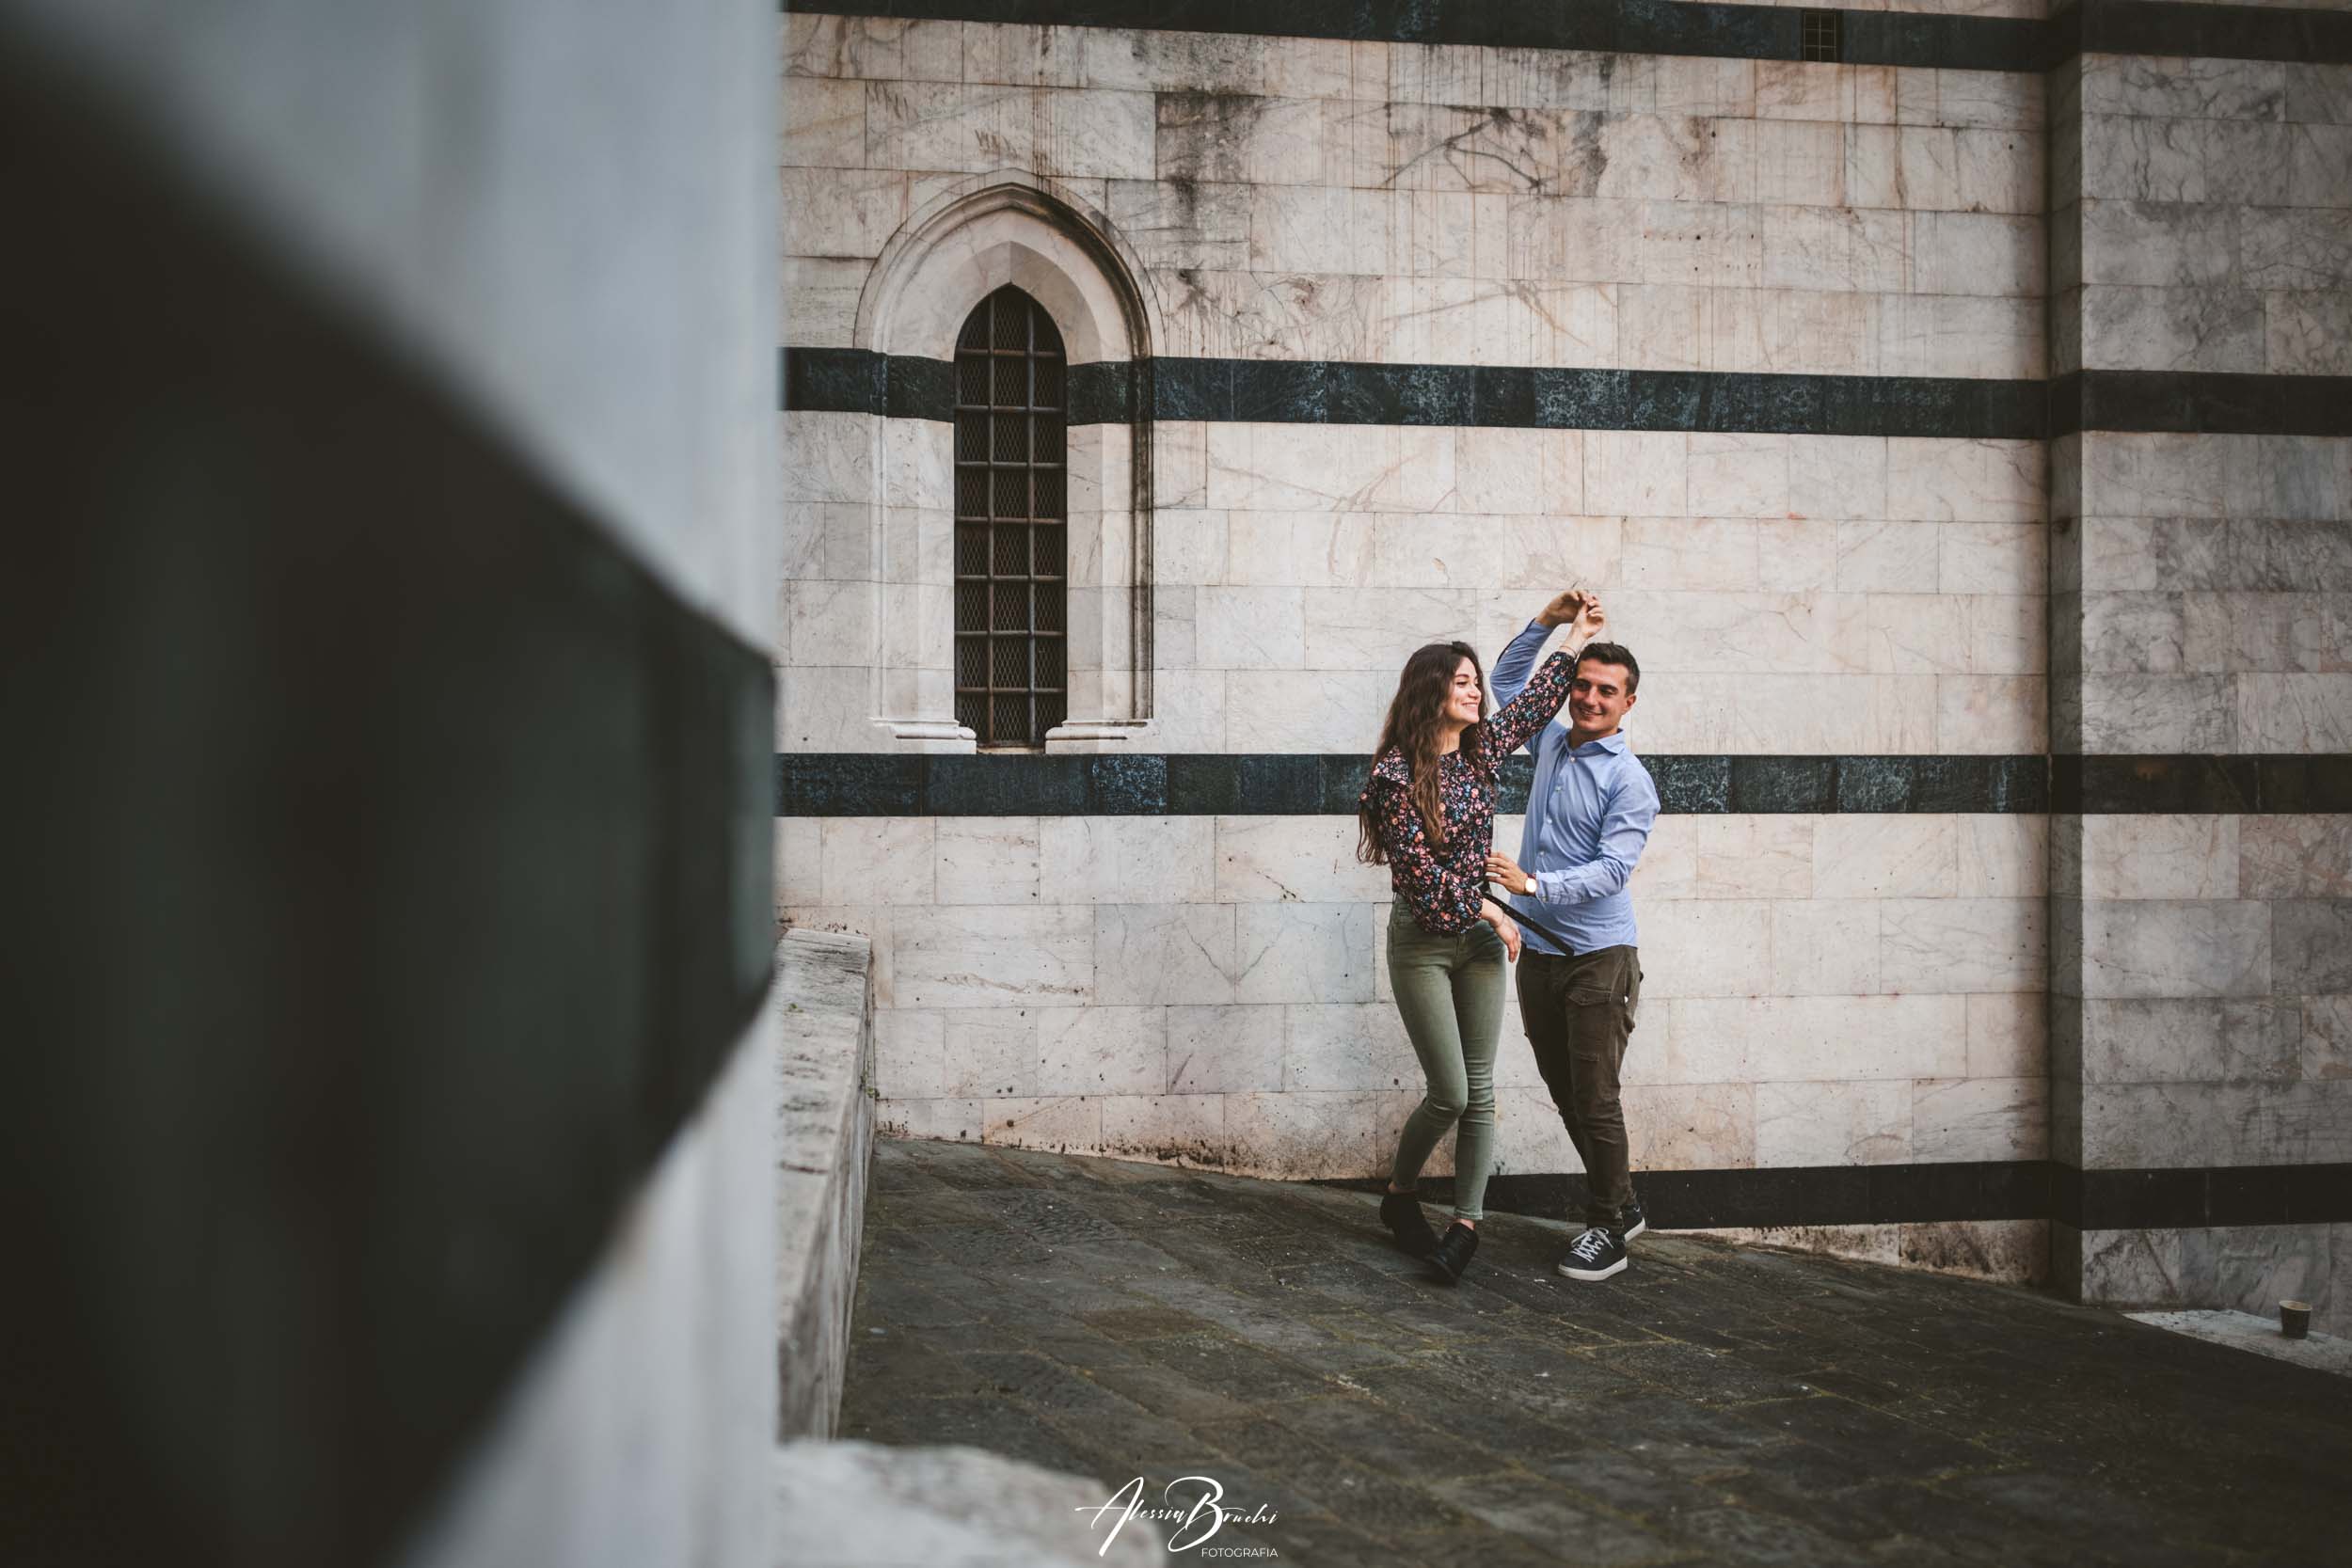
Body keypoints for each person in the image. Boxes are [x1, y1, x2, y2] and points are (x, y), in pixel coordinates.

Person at [1356, 594, 1607, 1284]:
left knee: (1482, 1088)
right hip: (1426, 943)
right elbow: (1428, 885)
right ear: (1431, 692)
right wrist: (1495, 912)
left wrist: (1571, 631)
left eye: (1474, 680)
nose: (1476, 691)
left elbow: (1534, 702)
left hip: (1478, 947)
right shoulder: (1393, 777)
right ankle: (1400, 1195)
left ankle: (1466, 1225)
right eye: (1463, 681)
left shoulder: (1482, 753)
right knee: (1450, 1092)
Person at [1485, 601, 1660, 1282]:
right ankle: (1622, 1201)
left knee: (1596, 1095)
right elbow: (1505, 684)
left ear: (1628, 702)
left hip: (1598, 958)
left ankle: (1608, 1224)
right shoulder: (1553, 742)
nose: (1588, 698)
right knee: (1565, 1090)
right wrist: (1551, 619)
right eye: (1581, 685)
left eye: (1604, 690)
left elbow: (1613, 871)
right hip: (1542, 953)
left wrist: (1532, 885)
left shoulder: (1629, 780)